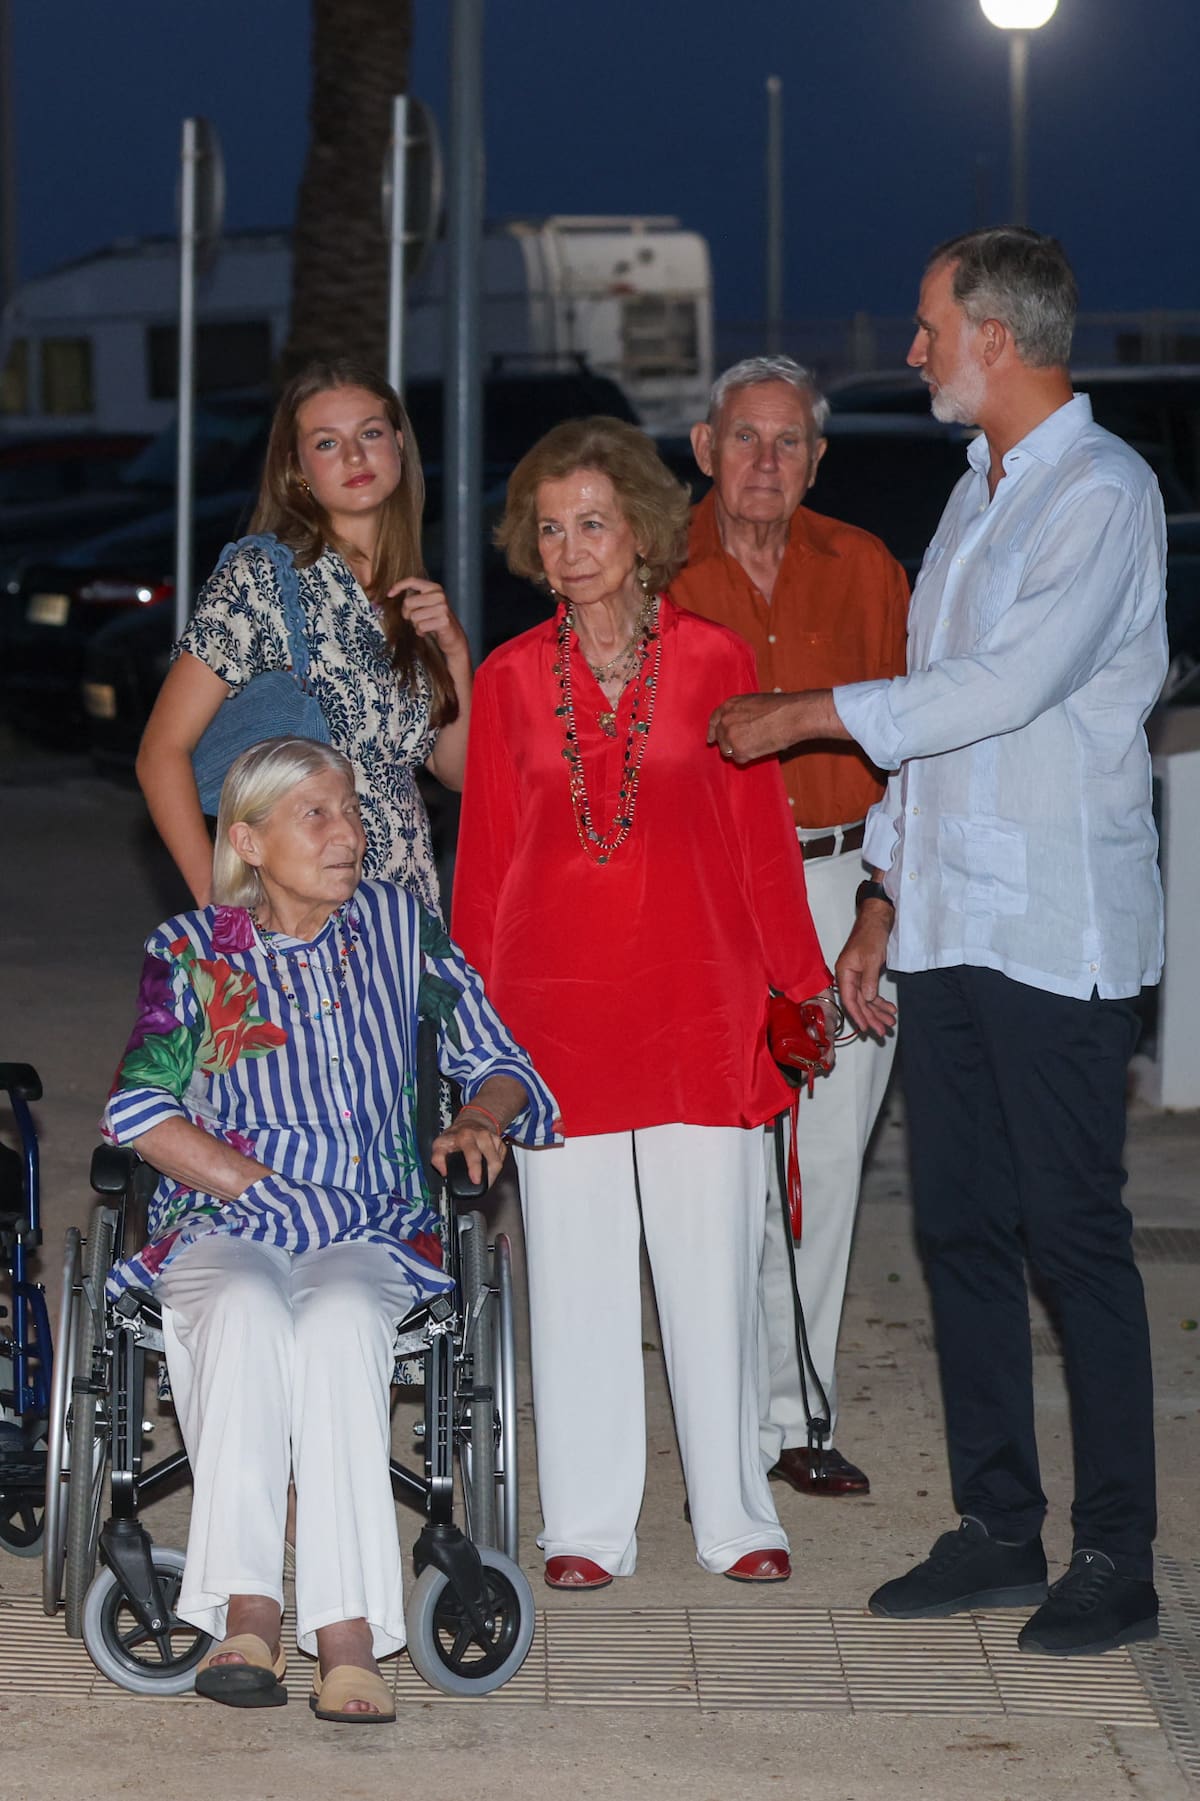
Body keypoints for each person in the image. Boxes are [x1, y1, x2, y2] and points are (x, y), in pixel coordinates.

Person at [709, 227, 1165, 1657]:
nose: (912, 352)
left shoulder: (1103, 492)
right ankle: (994, 1527)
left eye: (926, 327)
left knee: (1073, 1239)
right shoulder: (976, 495)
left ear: (999, 336)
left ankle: (1116, 1552)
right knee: (959, 1227)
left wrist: (807, 713)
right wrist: (884, 902)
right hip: (951, 924)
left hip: (1056, 929)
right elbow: (937, 726)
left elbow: (1003, 687)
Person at [451, 416, 835, 1591]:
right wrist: (470, 1033)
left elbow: (760, 839)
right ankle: (586, 1524)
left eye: (593, 524)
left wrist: (803, 985)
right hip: (553, 1015)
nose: (571, 548)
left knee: (711, 1266)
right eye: (552, 529)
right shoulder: (512, 679)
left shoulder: (715, 660)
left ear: (642, 532)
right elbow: (484, 864)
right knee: (572, 1274)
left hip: (698, 1003)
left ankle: (734, 1514)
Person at [102, 736, 556, 1720]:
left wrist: (481, 1115)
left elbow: (501, 1056)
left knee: (344, 1317)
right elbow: (140, 1110)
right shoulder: (193, 950)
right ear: (251, 841)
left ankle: (348, 1627)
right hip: (227, 1216)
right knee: (248, 1306)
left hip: (371, 1223)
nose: (350, 833)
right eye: (318, 814)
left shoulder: (402, 928)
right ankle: (251, 1607)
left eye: (351, 811)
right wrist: (257, 1183)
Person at [673, 355, 909, 1499]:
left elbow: (924, 742)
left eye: (789, 442)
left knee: (825, 1158)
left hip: (844, 885)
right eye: (745, 437)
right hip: (711, 898)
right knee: (723, 1166)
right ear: (704, 447)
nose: (766, 462)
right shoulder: (657, 569)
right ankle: (722, 1411)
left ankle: (796, 1412)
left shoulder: (865, 567)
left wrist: (884, 900)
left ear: (818, 458)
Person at [136, 357, 471, 914]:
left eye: (369, 433)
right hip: (298, 913)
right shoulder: (264, 577)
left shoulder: (409, 589)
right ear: (297, 470)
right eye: (326, 443)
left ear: (399, 444)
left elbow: (453, 773)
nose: (355, 456)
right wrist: (217, 902)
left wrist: (455, 654)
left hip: (403, 911)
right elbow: (160, 753)